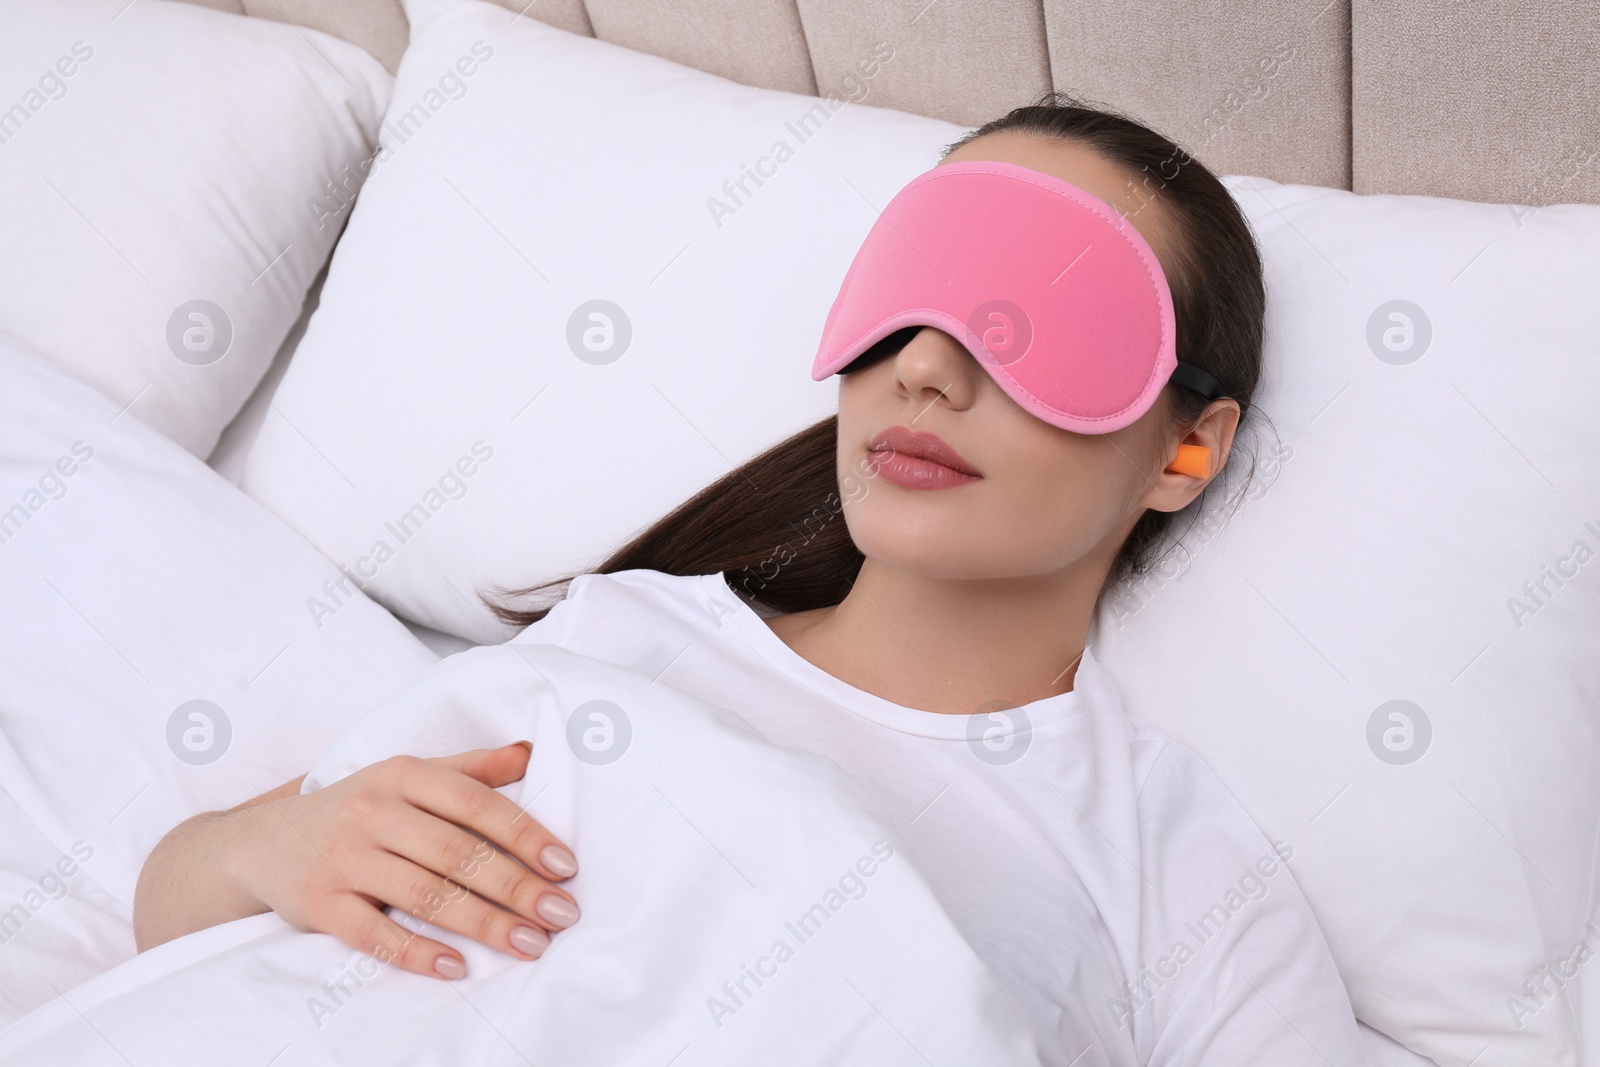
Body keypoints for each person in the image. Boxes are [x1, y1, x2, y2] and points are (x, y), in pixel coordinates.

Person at [132, 92, 1368, 1065]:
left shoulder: (1175, 869)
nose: (926, 367)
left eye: (1040, 315)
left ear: (1186, 450)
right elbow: (173, 922)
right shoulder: (614, 637)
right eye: (907, 299)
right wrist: (270, 846)